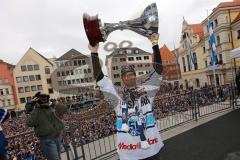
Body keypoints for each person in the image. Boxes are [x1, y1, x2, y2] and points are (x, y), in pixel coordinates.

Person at [89, 33, 164, 160]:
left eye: (131, 74)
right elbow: (99, 78)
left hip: (151, 149)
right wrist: (94, 52)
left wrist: (155, 44)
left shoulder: (146, 90)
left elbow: (158, 70)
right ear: (122, 78)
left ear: (135, 76)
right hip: (128, 153)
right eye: (125, 75)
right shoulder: (115, 94)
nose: (129, 76)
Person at [25, 92, 67, 160]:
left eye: (45, 98)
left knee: (58, 157)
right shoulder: (36, 112)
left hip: (57, 137)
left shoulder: (51, 108)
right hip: (47, 140)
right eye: (42, 98)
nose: (44, 100)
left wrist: (53, 103)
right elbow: (29, 123)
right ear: (36, 100)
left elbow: (63, 110)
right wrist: (29, 109)